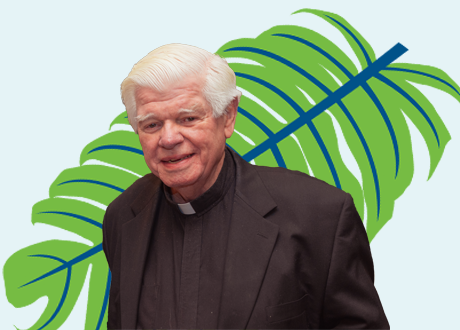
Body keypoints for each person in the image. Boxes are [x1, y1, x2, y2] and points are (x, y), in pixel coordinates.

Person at [102, 43, 389, 329]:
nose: (168, 139)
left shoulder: (319, 215)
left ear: (227, 116)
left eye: (187, 119)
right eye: (151, 125)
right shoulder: (123, 217)